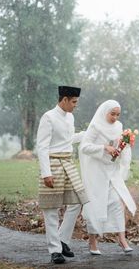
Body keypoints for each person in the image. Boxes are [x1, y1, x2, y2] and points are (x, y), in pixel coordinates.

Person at [37, 86, 88, 264]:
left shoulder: (70, 117)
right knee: (51, 209)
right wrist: (46, 173)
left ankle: (62, 240)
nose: (75, 106)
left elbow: (67, 139)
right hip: (52, 165)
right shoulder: (48, 117)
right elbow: (42, 146)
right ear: (64, 99)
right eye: (74, 102)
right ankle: (55, 250)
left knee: (77, 202)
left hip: (68, 163)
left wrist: (86, 135)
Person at [79, 100, 136, 255]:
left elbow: (118, 144)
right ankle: (93, 242)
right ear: (105, 112)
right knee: (96, 204)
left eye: (118, 114)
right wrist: (104, 148)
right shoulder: (96, 126)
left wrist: (123, 147)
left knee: (117, 202)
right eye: (112, 114)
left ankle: (122, 239)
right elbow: (84, 147)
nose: (115, 117)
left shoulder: (118, 126)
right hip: (96, 171)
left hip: (111, 169)